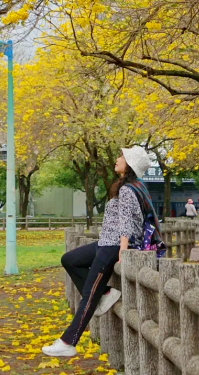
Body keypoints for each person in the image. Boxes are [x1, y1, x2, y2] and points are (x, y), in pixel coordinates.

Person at [42, 146, 152, 357]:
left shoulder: (129, 190)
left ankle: (68, 342)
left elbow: (126, 223)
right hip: (105, 242)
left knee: (88, 295)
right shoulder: (124, 186)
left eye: (122, 156)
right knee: (70, 260)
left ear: (129, 164)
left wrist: (122, 251)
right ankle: (105, 292)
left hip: (112, 246)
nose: (117, 159)